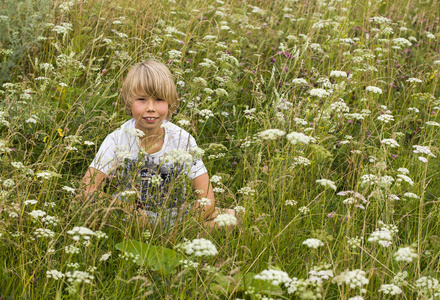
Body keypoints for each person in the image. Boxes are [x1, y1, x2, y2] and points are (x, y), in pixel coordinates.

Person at [80, 60, 234, 230]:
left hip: (176, 217)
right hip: (130, 217)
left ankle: (175, 240)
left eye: (159, 100)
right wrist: (127, 209)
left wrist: (180, 229)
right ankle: (158, 240)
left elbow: (206, 199)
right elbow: (86, 188)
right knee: (107, 218)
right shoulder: (117, 139)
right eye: (142, 99)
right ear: (129, 102)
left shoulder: (182, 139)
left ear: (170, 103)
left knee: (231, 216)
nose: (151, 108)